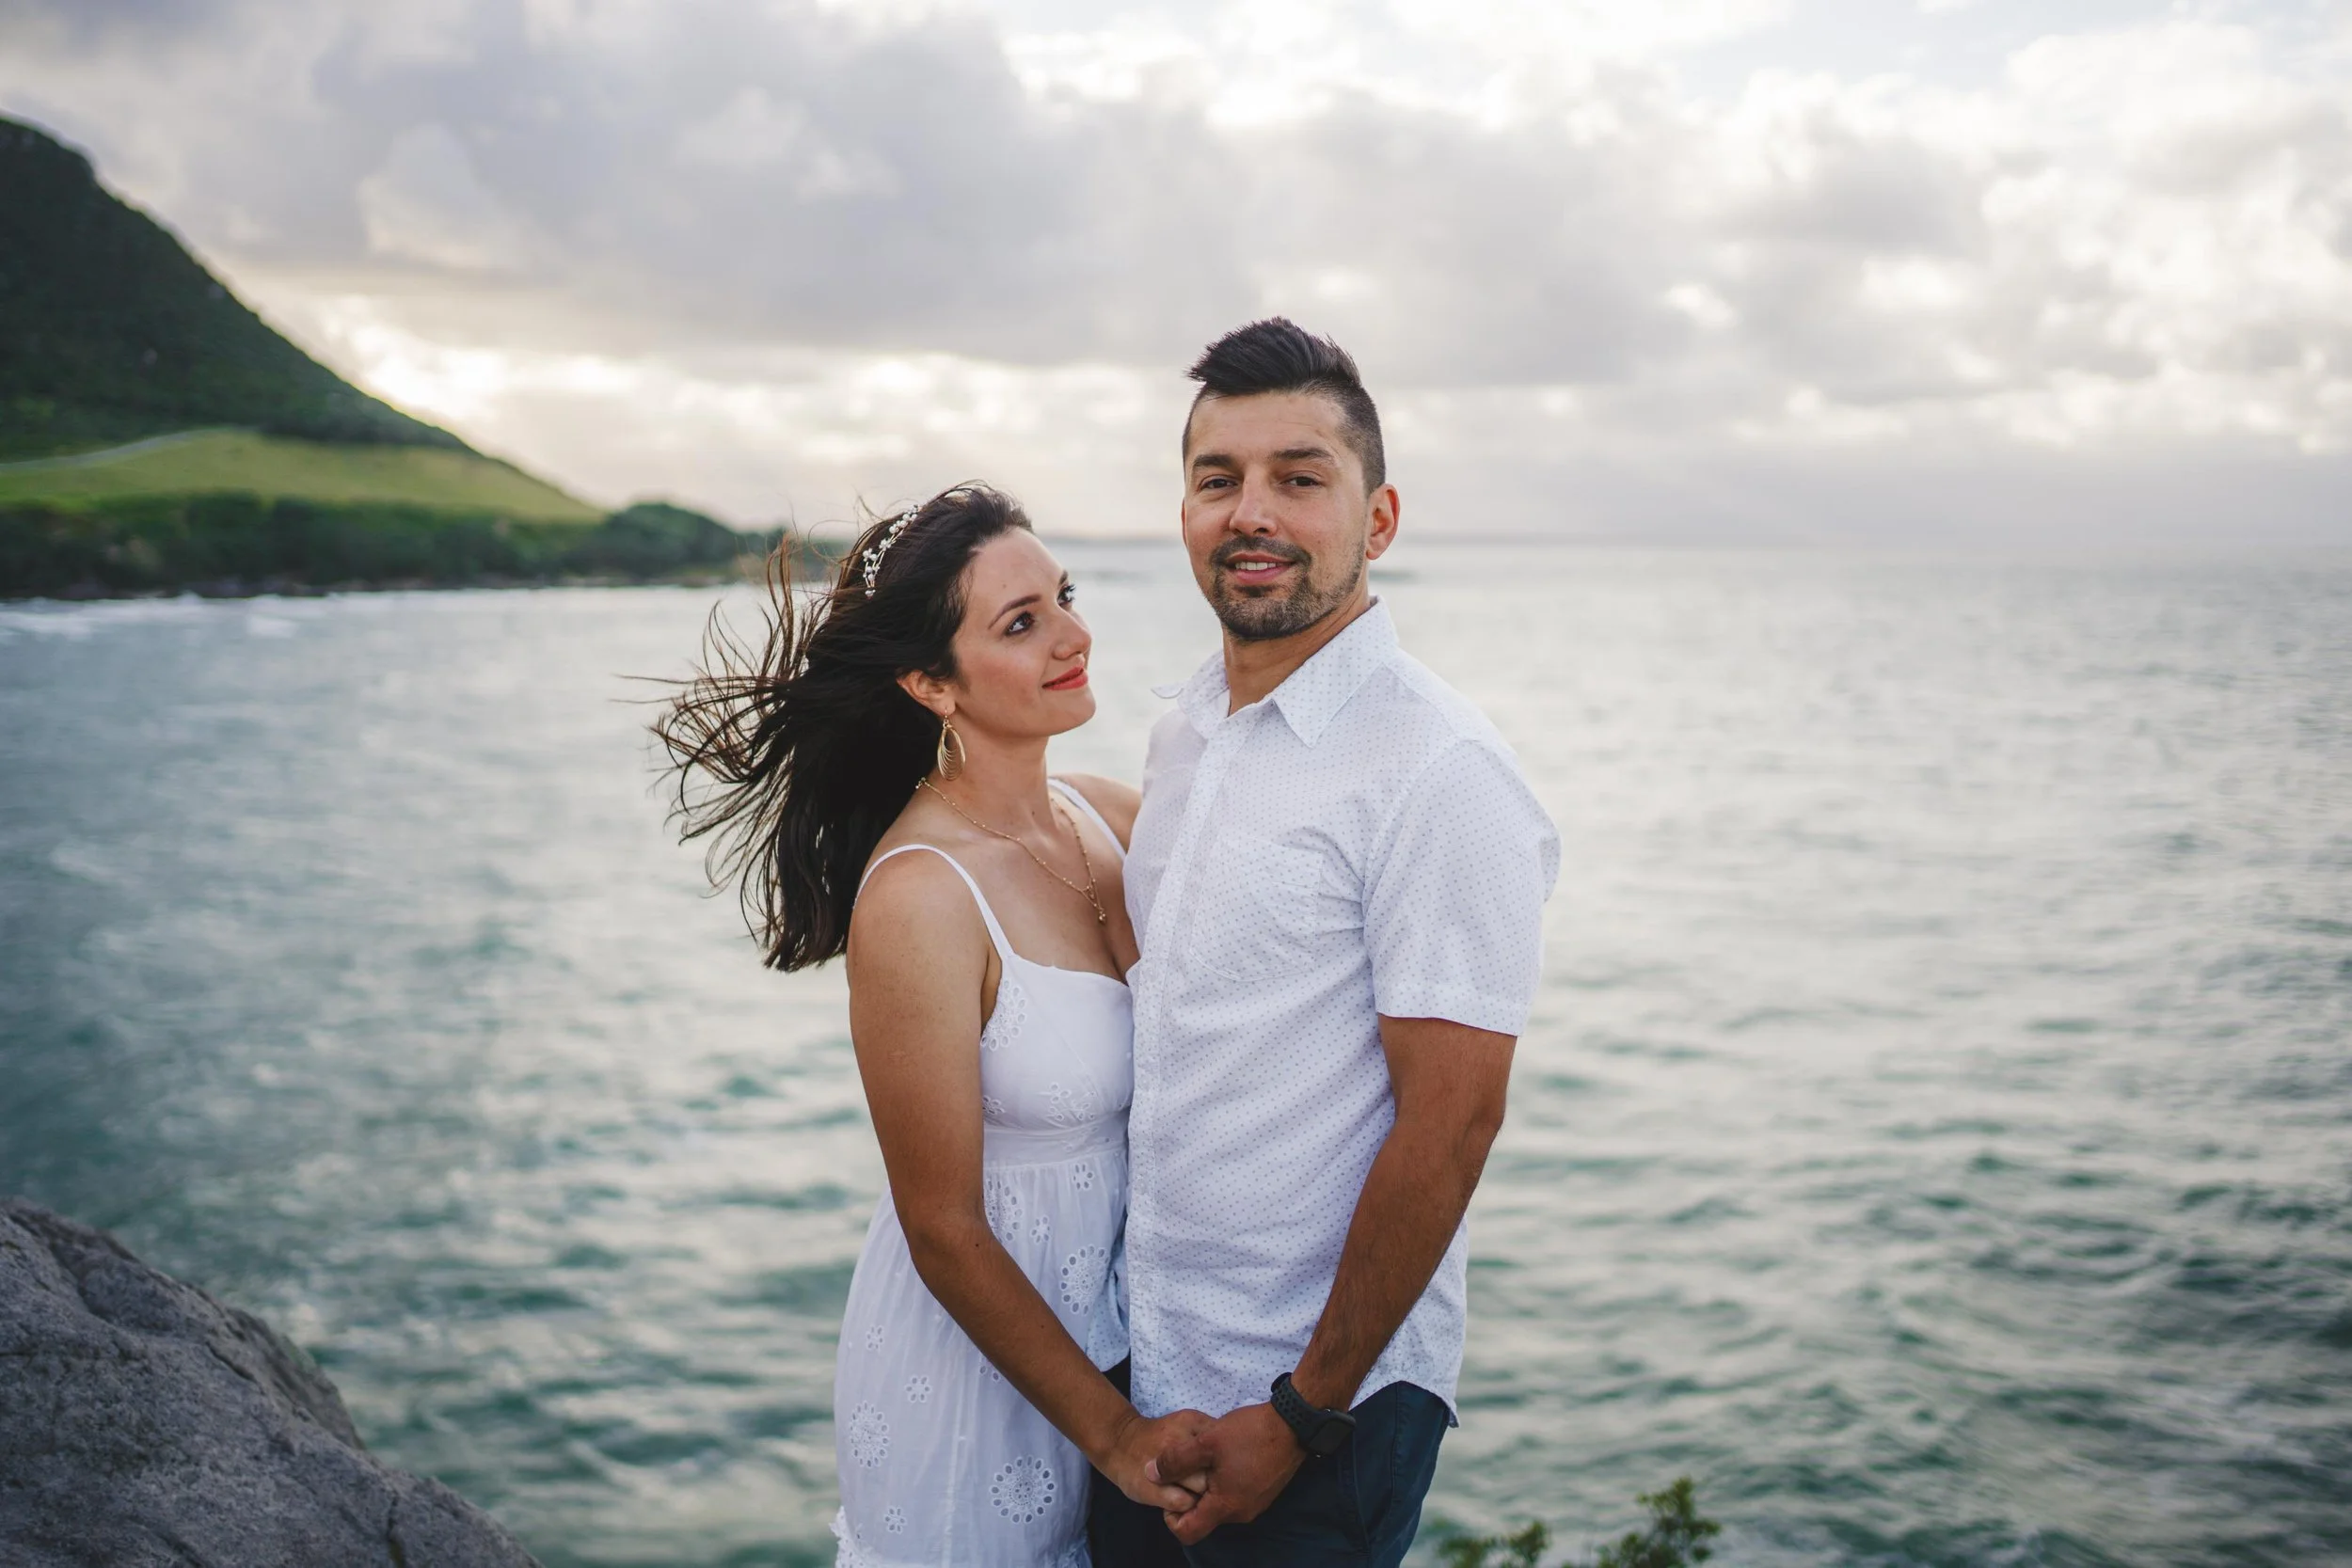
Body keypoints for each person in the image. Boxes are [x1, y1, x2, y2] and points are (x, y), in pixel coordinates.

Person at [656, 483, 1207, 1567]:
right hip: (977, 1377)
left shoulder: (1113, 814)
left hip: (1131, 1341)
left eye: (1063, 596)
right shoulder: (919, 895)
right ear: (929, 684)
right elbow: (940, 1223)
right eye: (1020, 622)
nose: (1072, 635)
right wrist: (1112, 1435)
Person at [1088, 320, 1561, 1567]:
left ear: (1380, 517)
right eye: (1217, 478)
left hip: (1317, 1409)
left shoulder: (1439, 769)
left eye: (1300, 477)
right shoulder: (1184, 733)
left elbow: (1450, 1123)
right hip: (1151, 1371)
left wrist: (1300, 1412)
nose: (1253, 511)